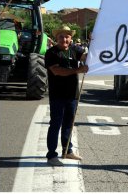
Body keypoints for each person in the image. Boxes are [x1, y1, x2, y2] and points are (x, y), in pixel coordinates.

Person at [44, 25, 88, 166]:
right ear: (56, 38)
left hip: (72, 95)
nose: (64, 39)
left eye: (67, 36)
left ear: (71, 38)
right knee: (55, 124)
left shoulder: (75, 49)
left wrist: (94, 42)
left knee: (69, 124)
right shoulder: (51, 52)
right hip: (57, 95)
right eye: (61, 36)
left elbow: (87, 57)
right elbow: (57, 71)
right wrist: (78, 70)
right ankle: (51, 155)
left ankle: (67, 151)